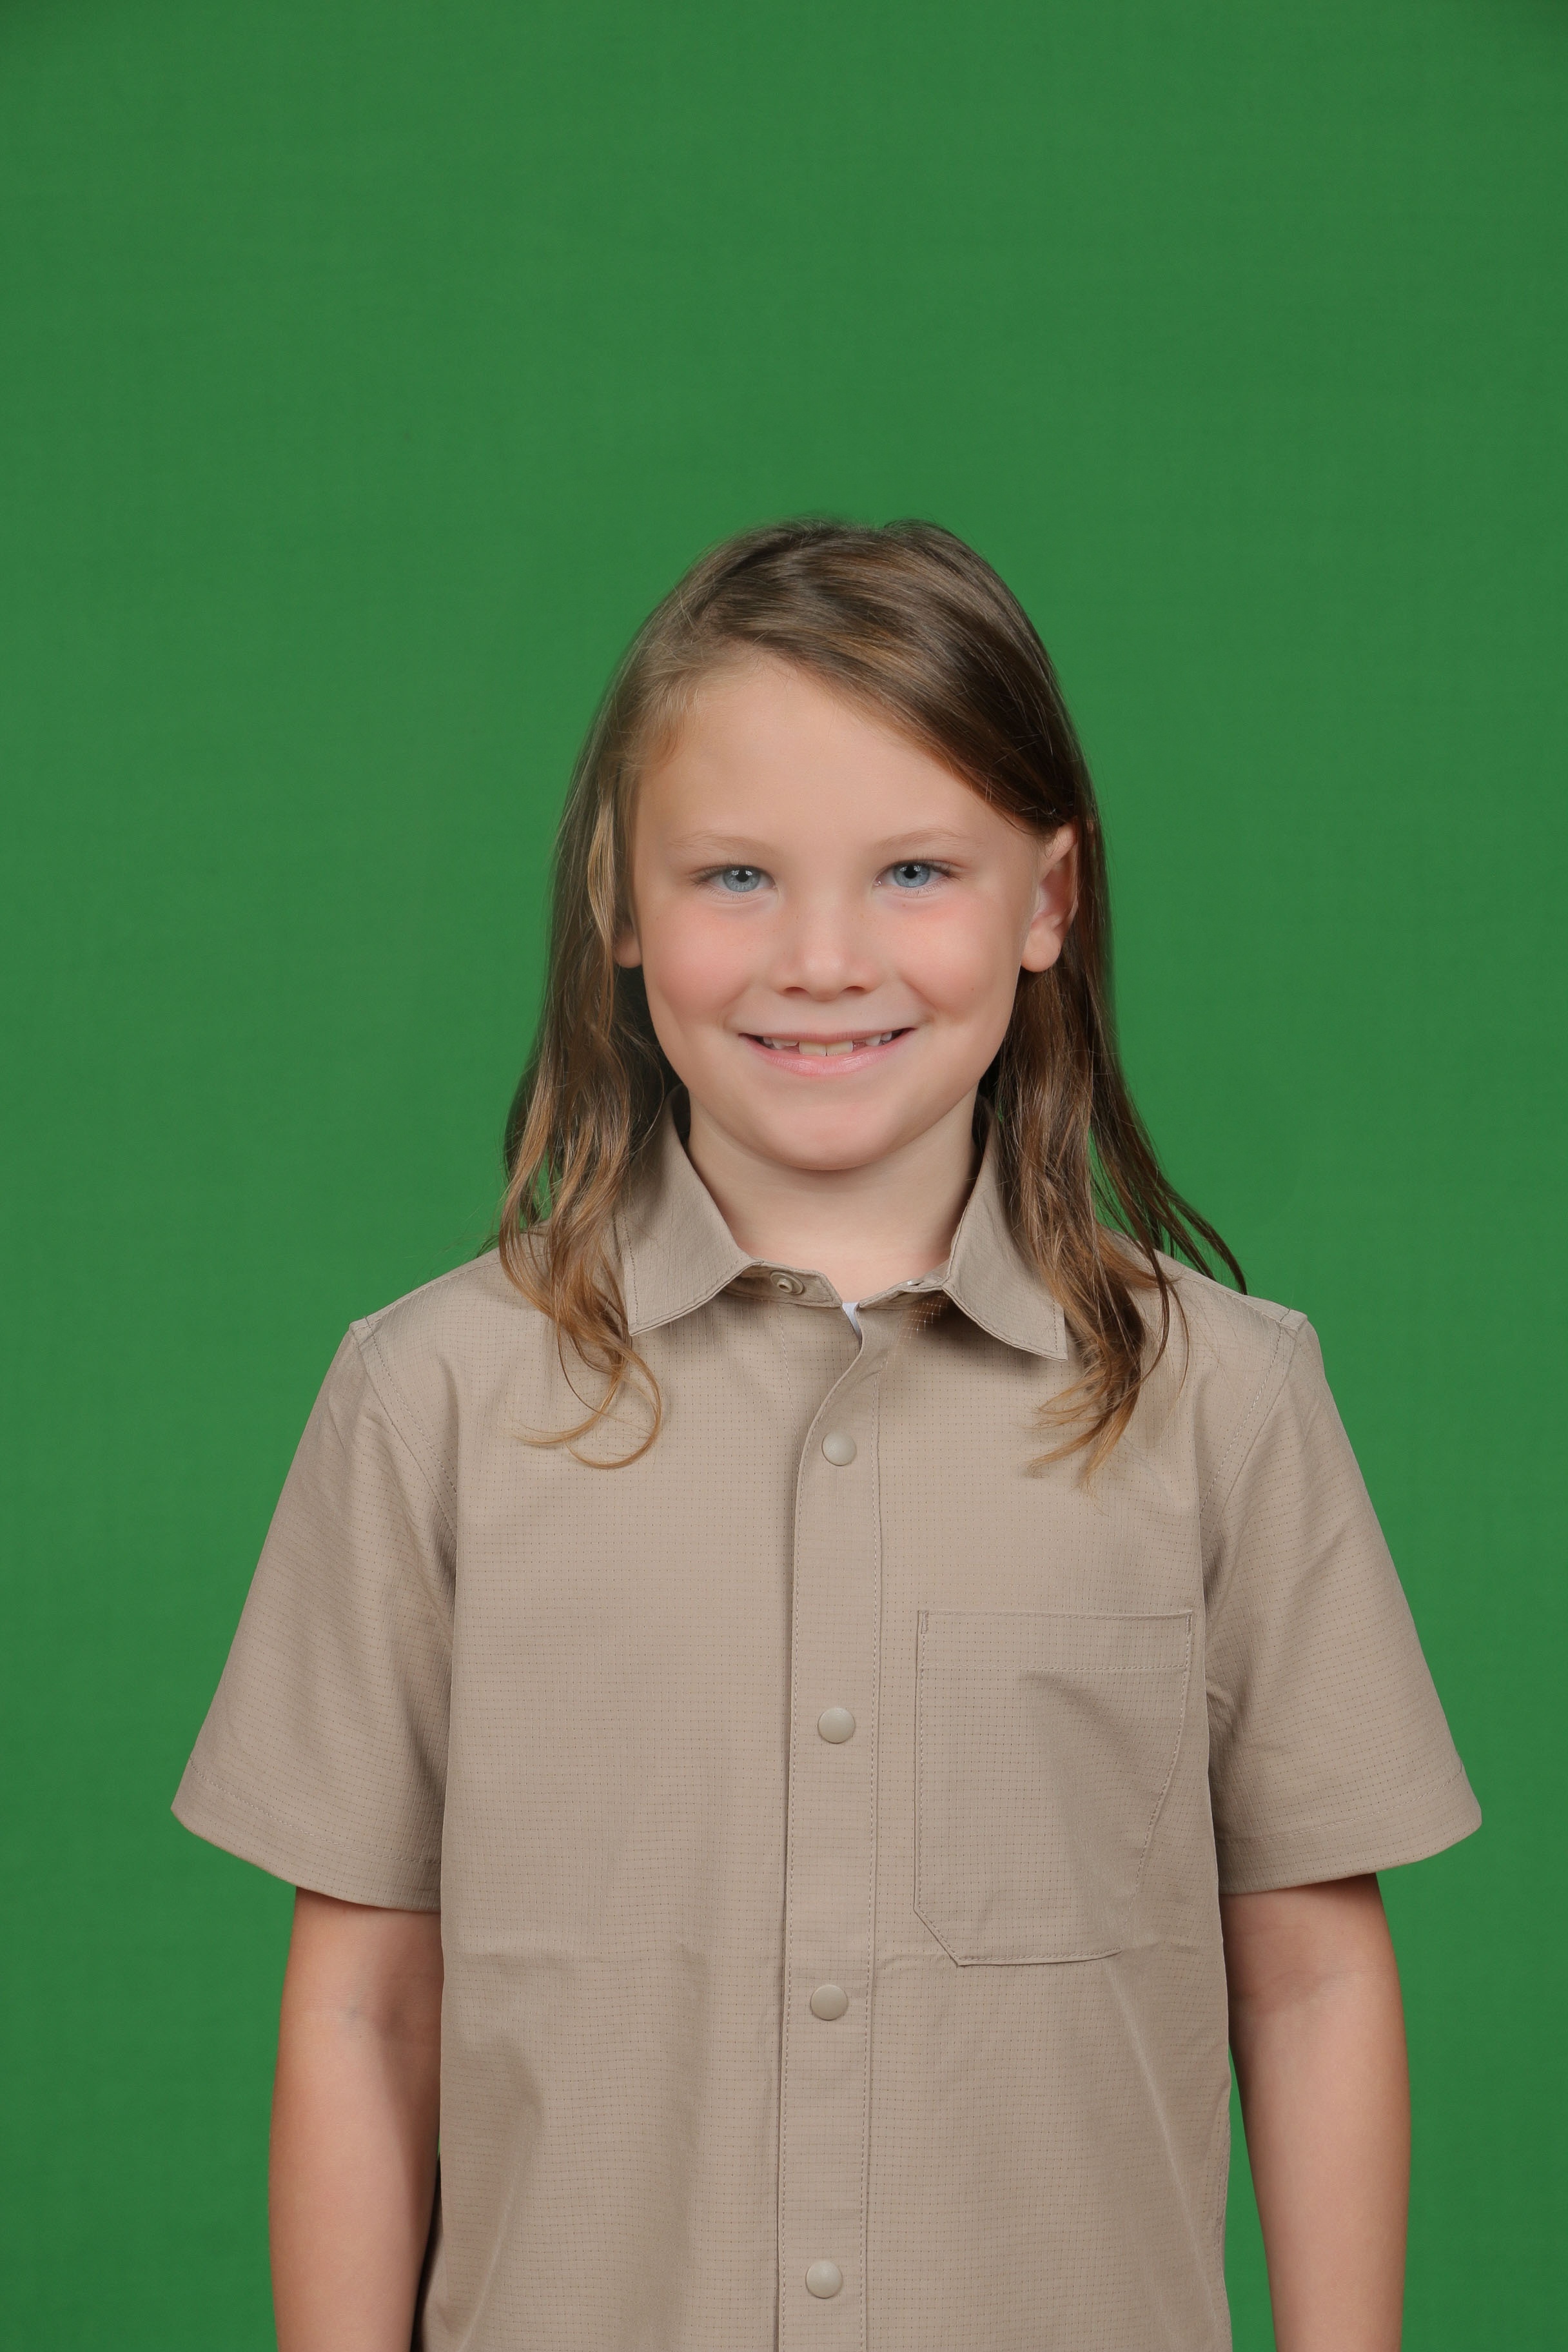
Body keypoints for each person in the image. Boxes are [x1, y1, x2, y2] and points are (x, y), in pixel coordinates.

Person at [174, 518, 1480, 2352]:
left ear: (1048, 901)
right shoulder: (431, 1397)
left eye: (916, 870)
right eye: (735, 876)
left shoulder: (1229, 1403)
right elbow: (361, 2007)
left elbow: (1314, 1978)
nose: (821, 957)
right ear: (622, 907)